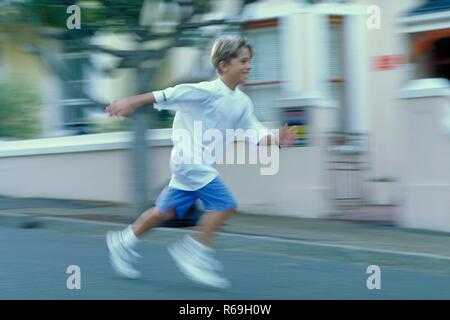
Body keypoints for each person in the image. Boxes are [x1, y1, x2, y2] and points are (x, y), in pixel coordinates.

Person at [105, 35, 296, 289]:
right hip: (189, 161)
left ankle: (123, 241)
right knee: (225, 204)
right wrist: (130, 101)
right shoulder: (204, 91)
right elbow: (166, 94)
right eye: (243, 61)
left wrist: (276, 139)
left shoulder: (241, 102)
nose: (249, 66)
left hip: (198, 167)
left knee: (165, 211)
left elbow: (254, 133)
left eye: (250, 61)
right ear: (223, 66)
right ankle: (194, 249)